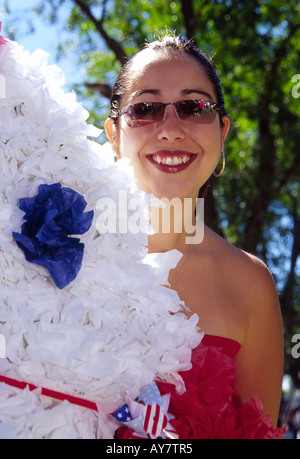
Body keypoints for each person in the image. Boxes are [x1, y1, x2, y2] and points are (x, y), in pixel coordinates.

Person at [105, 34, 286, 438]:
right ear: (114, 134)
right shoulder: (50, 252)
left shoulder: (250, 284)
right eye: (146, 108)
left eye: (195, 107)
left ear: (222, 132)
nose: (170, 129)